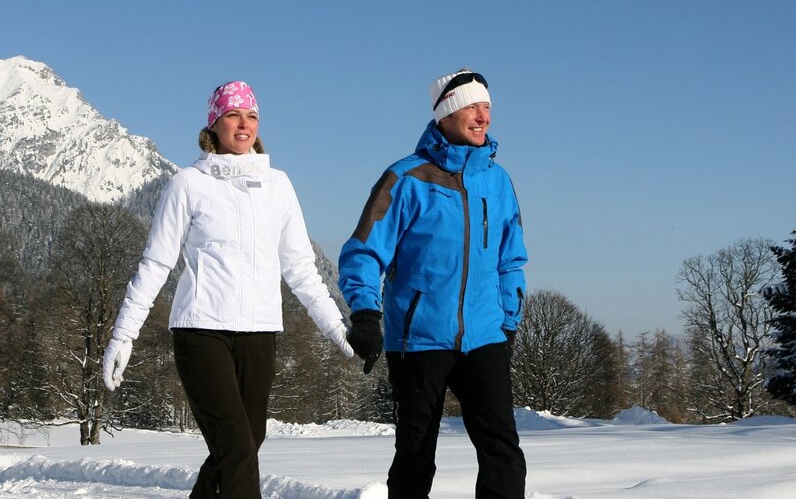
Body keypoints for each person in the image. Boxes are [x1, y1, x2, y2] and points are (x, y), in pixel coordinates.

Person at [102, 80, 353, 499]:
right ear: (213, 125)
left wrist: (335, 328)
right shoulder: (188, 184)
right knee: (237, 449)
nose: (244, 124)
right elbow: (156, 264)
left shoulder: (278, 185)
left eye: (251, 116)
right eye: (233, 115)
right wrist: (123, 334)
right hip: (202, 332)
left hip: (260, 333)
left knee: (244, 445)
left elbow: (300, 269)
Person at [339, 69, 528, 498]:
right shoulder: (406, 178)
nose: (482, 117)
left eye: (486, 107)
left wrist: (509, 322)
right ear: (445, 115)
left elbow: (511, 258)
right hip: (418, 339)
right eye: (471, 107)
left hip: (485, 334)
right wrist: (365, 312)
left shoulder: (498, 181)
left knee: (502, 449)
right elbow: (364, 250)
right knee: (416, 451)